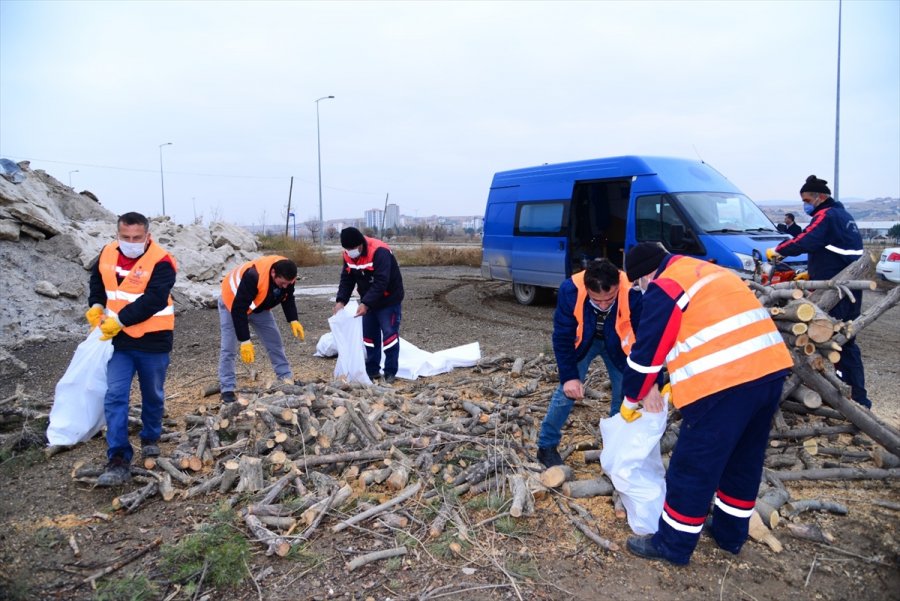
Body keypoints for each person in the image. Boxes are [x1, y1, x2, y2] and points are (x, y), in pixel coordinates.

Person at [620, 242, 792, 565]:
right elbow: (707, 330)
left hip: (726, 385)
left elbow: (647, 353)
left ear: (644, 276)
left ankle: (672, 545)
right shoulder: (706, 271)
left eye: (639, 284)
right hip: (769, 372)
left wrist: (633, 396)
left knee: (691, 464)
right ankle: (730, 535)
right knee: (743, 460)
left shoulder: (665, 285)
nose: (643, 289)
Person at [86, 212, 177, 486]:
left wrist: (120, 320)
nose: (131, 242)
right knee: (114, 395)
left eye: (137, 238)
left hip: (153, 339)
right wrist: (96, 305)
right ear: (117, 234)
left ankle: (150, 436)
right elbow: (98, 281)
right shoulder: (107, 252)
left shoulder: (162, 261)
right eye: (125, 237)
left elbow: (154, 299)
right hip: (119, 342)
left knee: (153, 393)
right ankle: (118, 458)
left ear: (147, 236)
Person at [772, 175, 871, 409]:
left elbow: (807, 240)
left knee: (838, 341)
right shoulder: (842, 216)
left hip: (838, 290)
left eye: (807, 200)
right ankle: (849, 394)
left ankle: (855, 399)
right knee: (840, 340)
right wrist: (811, 274)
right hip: (844, 285)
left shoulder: (826, 216)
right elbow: (829, 250)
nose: (805, 205)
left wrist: (778, 251)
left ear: (821, 197)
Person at [536, 258, 641, 468]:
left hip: (620, 346)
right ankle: (546, 446)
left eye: (609, 299)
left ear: (618, 286)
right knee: (565, 393)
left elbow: (646, 337)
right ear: (586, 288)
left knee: (624, 394)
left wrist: (649, 380)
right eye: (596, 300)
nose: (603, 305)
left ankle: (614, 445)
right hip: (584, 342)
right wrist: (569, 377)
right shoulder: (570, 290)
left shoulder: (633, 292)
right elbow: (563, 336)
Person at [218, 256, 304, 403]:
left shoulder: (288, 275)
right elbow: (239, 310)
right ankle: (227, 388)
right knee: (229, 348)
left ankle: (285, 379)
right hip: (232, 303)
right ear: (273, 274)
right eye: (282, 283)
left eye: (287, 283)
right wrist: (245, 340)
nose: (285, 286)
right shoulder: (253, 276)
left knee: (275, 342)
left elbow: (288, 297)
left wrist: (293, 319)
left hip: (257, 306)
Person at [333, 227, 404, 383]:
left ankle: (390, 372)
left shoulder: (379, 251)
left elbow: (381, 282)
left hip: (388, 299)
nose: (350, 251)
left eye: (352, 248)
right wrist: (341, 301)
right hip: (368, 300)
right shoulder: (348, 255)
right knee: (369, 337)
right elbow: (347, 279)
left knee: (389, 335)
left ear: (360, 244)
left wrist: (365, 303)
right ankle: (372, 370)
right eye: (347, 249)